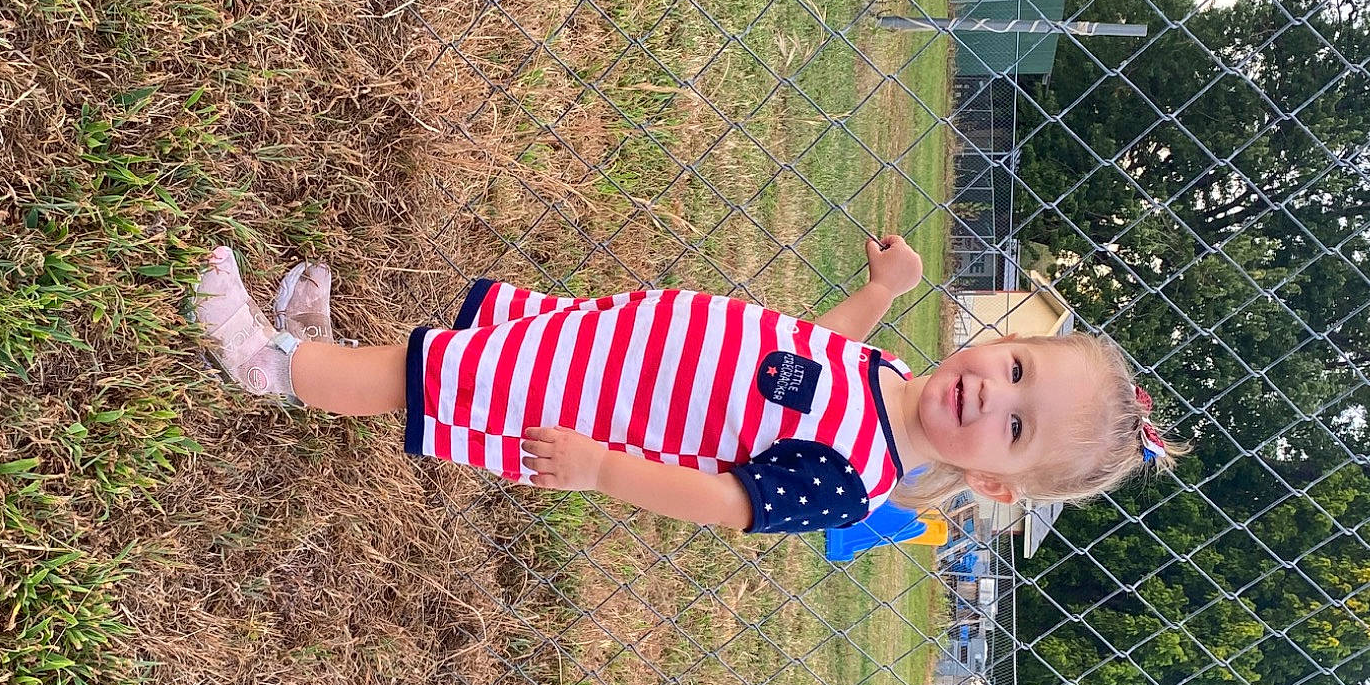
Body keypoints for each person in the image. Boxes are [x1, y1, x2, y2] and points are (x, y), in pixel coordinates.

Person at [191, 239, 1182, 534]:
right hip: (614, 349)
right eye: (1016, 371)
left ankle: (272, 364)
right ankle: (312, 356)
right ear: (1005, 341)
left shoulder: (852, 479)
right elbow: (815, 349)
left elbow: (726, 501)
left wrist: (601, 471)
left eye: (1015, 427)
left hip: (600, 408)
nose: (991, 395)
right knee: (456, 356)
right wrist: (879, 290)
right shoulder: (883, 376)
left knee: (434, 379)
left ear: (996, 483)